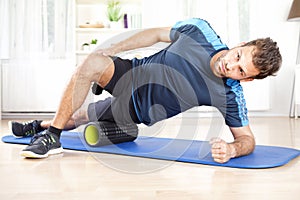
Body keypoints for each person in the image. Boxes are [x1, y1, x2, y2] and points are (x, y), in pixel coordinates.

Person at [10, 18, 282, 163]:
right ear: (242, 43)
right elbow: (154, 34)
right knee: (91, 63)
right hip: (129, 74)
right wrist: (115, 49)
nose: (230, 66)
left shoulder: (230, 93)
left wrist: (233, 150)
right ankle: (51, 137)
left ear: (246, 80)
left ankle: (39, 125)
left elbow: (247, 139)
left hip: (135, 110)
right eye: (238, 56)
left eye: (241, 71)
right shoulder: (200, 32)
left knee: (81, 116)